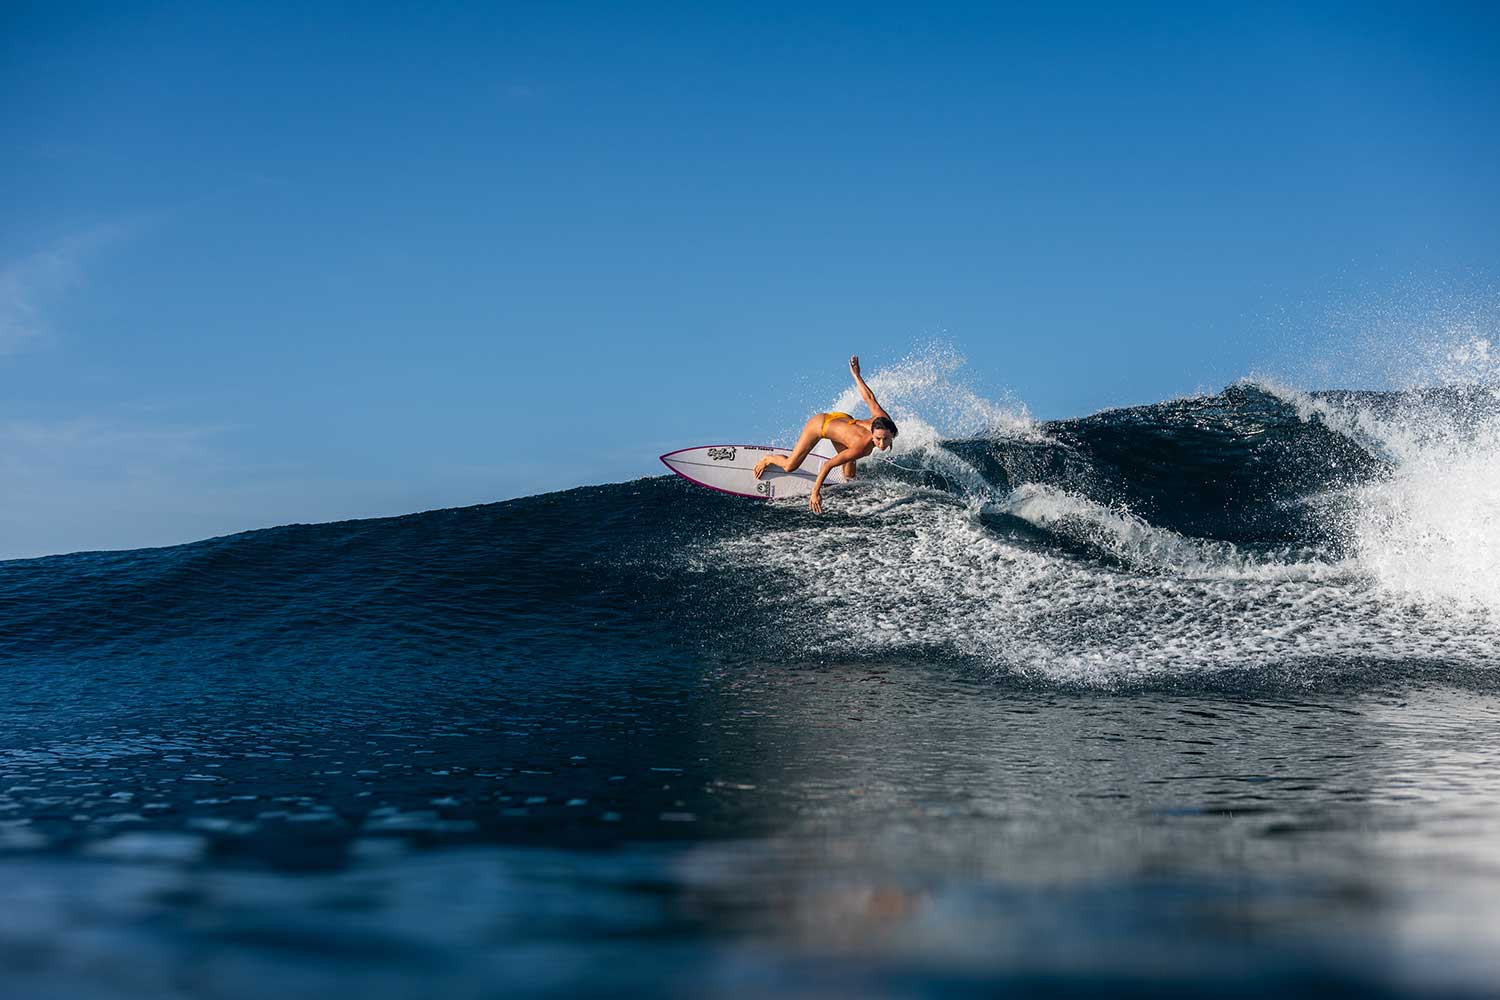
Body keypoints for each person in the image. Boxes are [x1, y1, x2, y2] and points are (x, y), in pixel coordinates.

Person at [753, 355, 899, 513]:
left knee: (850, 475)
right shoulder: (862, 446)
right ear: (872, 433)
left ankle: (845, 479)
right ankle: (768, 459)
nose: (882, 444)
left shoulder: (883, 420)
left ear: (891, 432)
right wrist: (815, 492)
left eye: (886, 439)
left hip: (843, 419)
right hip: (820, 425)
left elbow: (869, 398)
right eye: (878, 439)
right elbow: (828, 465)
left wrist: (857, 375)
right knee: (790, 466)